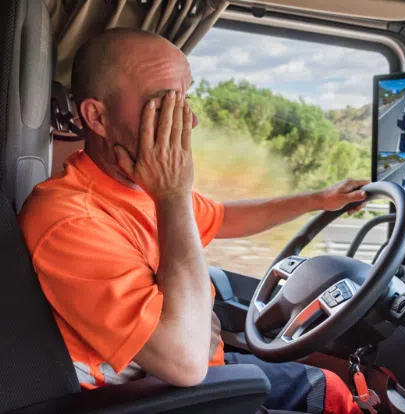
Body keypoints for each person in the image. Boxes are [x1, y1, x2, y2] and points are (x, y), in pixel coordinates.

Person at [18, 28, 368, 414]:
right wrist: (172, 194)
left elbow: (222, 217)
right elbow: (185, 361)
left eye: (185, 99)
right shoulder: (70, 220)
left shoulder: (135, 185)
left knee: (332, 389)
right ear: (97, 117)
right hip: (160, 398)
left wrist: (319, 199)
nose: (191, 121)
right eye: (163, 104)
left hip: (197, 377)